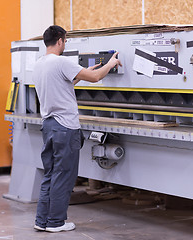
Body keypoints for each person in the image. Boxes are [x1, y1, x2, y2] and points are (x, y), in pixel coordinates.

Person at [32, 25, 122, 233]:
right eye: (65, 41)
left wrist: (81, 74)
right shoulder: (62, 61)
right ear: (61, 40)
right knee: (64, 175)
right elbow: (97, 78)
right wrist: (110, 63)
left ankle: (42, 220)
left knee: (51, 173)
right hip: (65, 126)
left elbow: (64, 83)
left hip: (49, 125)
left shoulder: (40, 64)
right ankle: (56, 222)